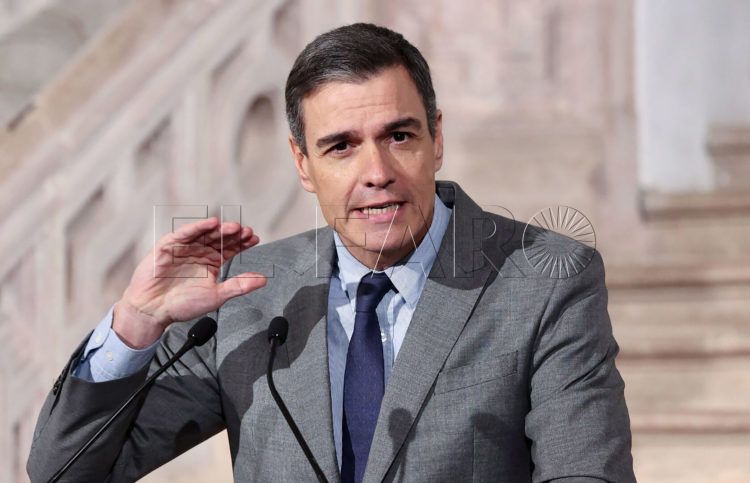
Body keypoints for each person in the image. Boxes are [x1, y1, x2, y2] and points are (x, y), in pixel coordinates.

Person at [27, 23, 635, 482]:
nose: (377, 172)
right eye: (341, 147)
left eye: (399, 136)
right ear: (303, 164)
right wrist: (134, 326)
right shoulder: (250, 293)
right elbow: (62, 471)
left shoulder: (544, 281)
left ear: (436, 138)